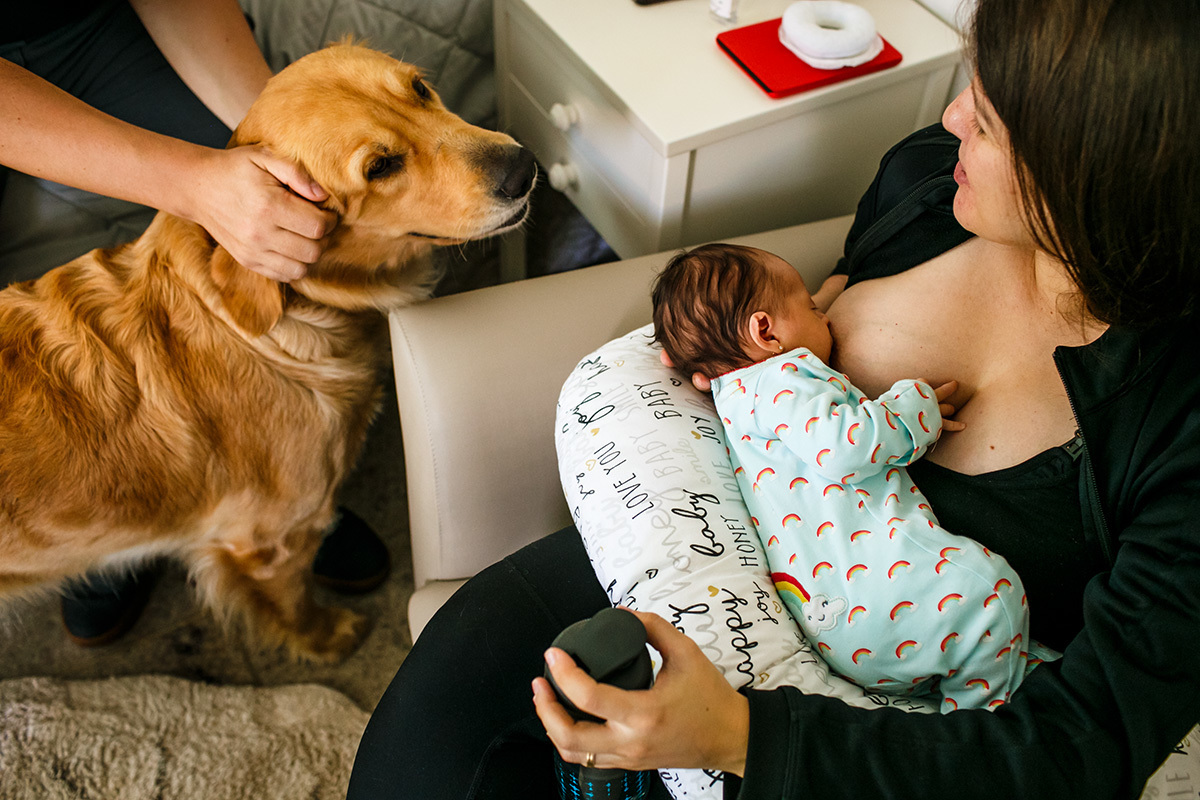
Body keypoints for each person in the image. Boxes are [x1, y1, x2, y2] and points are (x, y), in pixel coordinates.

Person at [346, 0, 1200, 797]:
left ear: (1099, 171)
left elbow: (1076, 750)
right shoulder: (930, 183)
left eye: (993, 116)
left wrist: (741, 737)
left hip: (867, 724)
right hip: (733, 552)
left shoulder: (1178, 427)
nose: (951, 118)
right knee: (433, 738)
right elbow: (791, 330)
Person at [1, 0, 386, 647]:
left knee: (284, 215)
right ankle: (109, 524)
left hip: (80, 22)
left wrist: (275, 137)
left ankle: (281, 495)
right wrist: (191, 182)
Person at [651, 242, 1055, 712]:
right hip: (879, 590)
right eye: (811, 306)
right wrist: (912, 408)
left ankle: (985, 672)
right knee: (992, 595)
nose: (824, 318)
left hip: (847, 624)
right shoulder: (782, 377)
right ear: (765, 331)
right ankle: (977, 720)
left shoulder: (732, 394)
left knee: (976, 625)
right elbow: (845, 446)